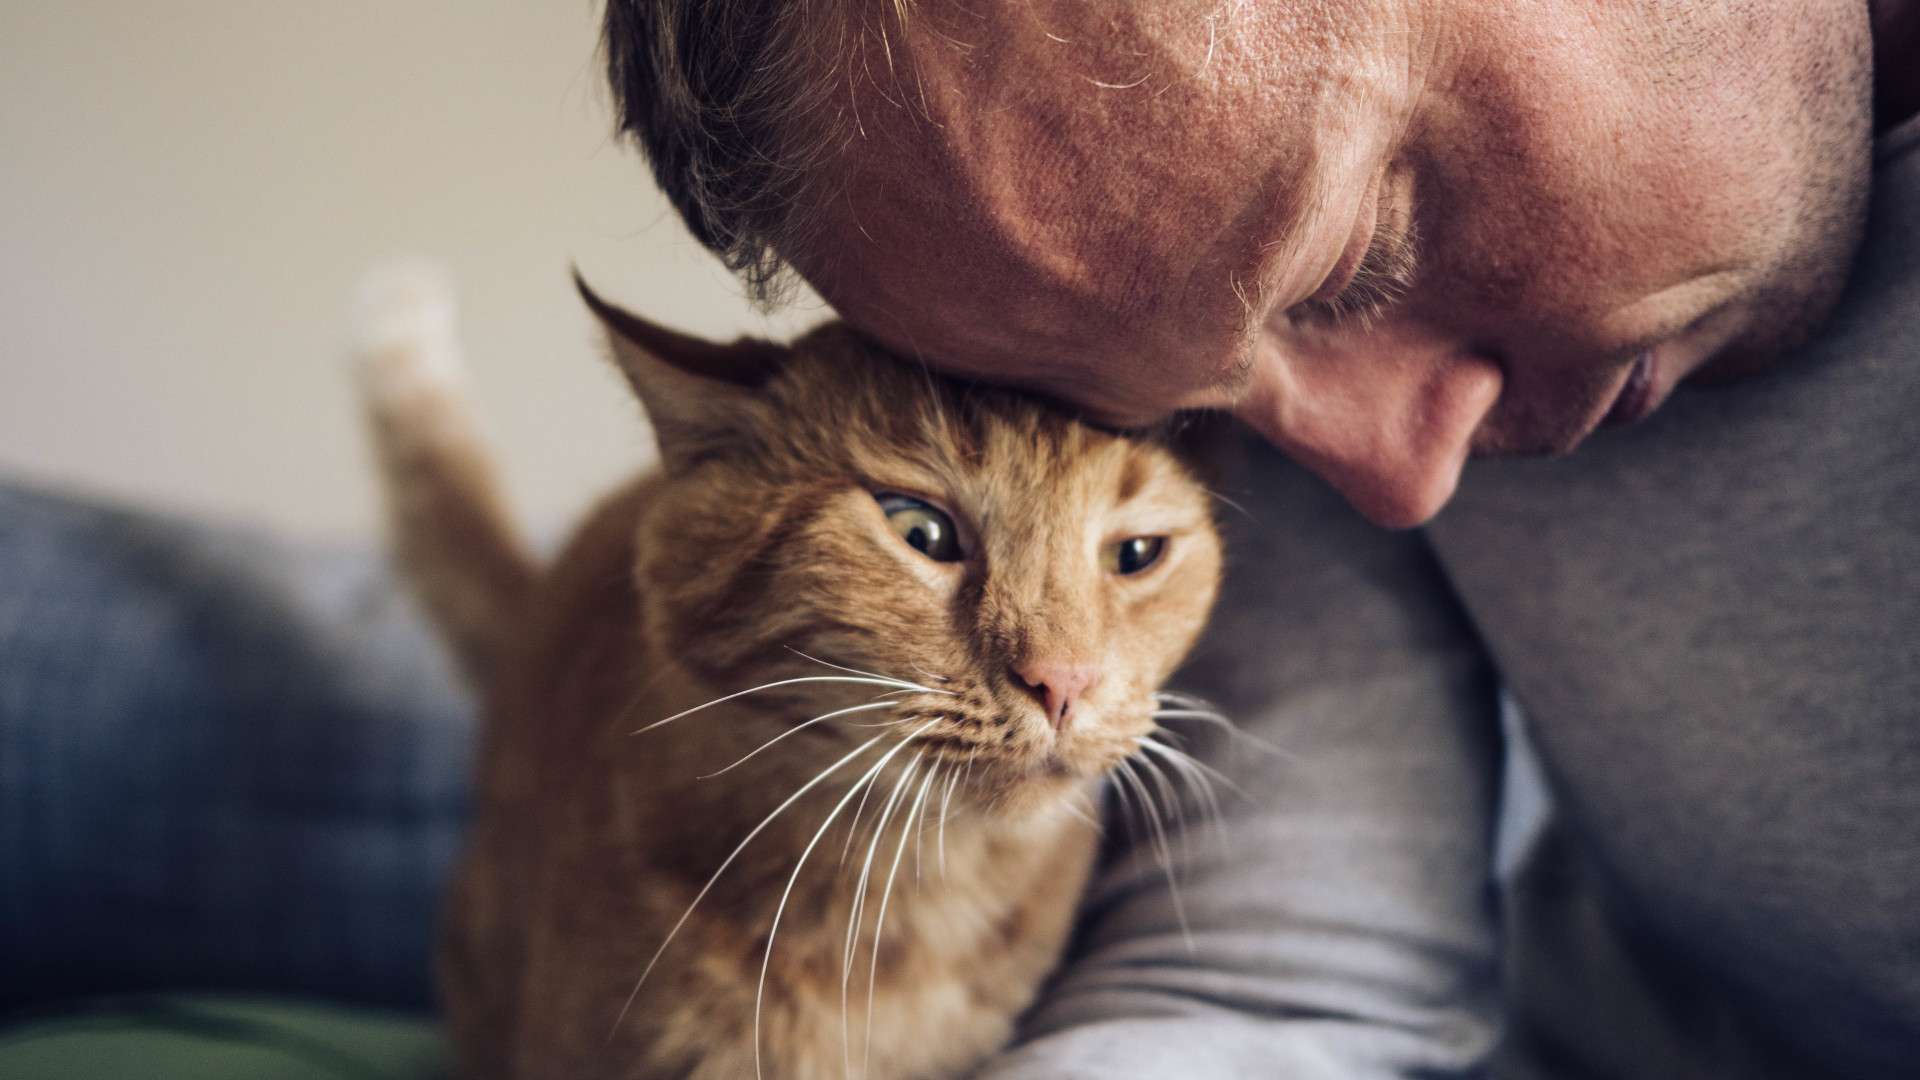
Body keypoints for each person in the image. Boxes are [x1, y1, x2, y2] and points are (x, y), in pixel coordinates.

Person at [596, 2, 1920, 1077]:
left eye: (1355, 267)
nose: (1395, 482)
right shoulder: (1312, 420)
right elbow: (1279, 979)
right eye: (1192, 412)